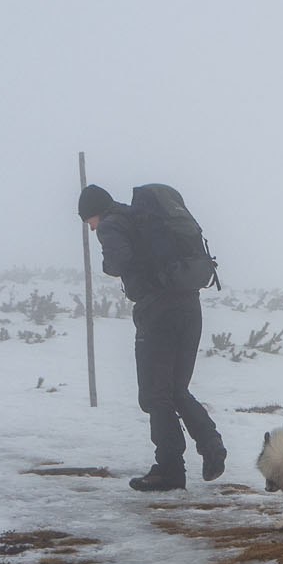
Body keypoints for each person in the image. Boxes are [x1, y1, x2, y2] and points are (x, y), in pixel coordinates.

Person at [79, 183, 226, 491]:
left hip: (158, 312)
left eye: (88, 222)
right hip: (189, 304)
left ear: (94, 213)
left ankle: (169, 471)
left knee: (154, 394)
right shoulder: (142, 217)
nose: (92, 230)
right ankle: (211, 445)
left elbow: (116, 262)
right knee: (176, 389)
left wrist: (110, 264)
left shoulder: (111, 224)